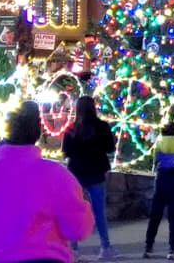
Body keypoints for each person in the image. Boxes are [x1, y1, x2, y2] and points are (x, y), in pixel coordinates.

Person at [0, 102, 93, 263]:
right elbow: (77, 230)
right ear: (38, 133)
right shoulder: (56, 176)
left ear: (5, 133)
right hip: (42, 257)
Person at [62, 95, 118, 259]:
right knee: (99, 211)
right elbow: (109, 148)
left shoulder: (71, 129)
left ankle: (73, 248)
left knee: (73, 209)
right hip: (96, 171)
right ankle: (105, 246)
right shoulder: (102, 127)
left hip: (76, 172)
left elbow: (67, 151)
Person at [144, 120, 174, 260]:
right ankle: (172, 249)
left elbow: (155, 160)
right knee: (173, 218)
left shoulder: (159, 143)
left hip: (161, 183)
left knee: (155, 216)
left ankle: (148, 247)